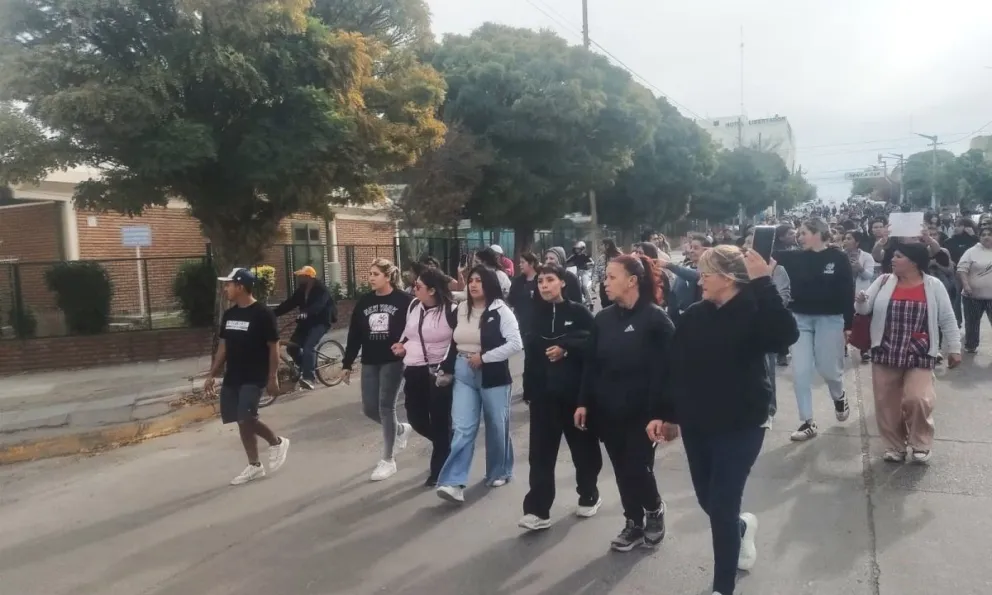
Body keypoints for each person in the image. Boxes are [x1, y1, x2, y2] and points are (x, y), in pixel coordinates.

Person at [648, 246, 798, 595]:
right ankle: (740, 529)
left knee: (722, 504)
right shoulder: (695, 315)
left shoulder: (754, 309)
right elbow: (674, 368)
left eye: (706, 274)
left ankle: (722, 586)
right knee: (710, 502)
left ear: (729, 278)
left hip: (743, 423)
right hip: (698, 423)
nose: (699, 280)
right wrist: (666, 414)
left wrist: (763, 282)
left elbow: (785, 335)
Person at [575, 254, 675, 552]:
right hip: (608, 410)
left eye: (611, 277)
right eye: (605, 277)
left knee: (636, 466)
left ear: (632, 281)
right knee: (621, 468)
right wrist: (583, 402)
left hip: (645, 413)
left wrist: (666, 414)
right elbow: (590, 365)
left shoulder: (655, 318)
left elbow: (672, 369)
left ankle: (654, 510)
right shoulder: (603, 319)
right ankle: (633, 522)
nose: (605, 283)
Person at [856, 243, 961, 463]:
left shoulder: (933, 285)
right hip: (886, 349)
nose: (892, 260)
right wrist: (861, 301)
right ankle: (894, 446)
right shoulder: (883, 281)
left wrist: (954, 348)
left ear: (913, 262)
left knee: (918, 398)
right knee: (887, 403)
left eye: (898, 256)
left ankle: (921, 443)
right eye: (893, 256)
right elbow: (863, 310)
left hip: (920, 351)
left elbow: (947, 318)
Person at [519, 263, 602, 531]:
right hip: (543, 397)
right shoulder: (533, 314)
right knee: (540, 455)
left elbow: (594, 342)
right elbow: (530, 355)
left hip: (574, 396)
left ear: (563, 283)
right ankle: (537, 510)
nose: (544, 285)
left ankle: (589, 493)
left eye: (550, 280)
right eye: (541, 281)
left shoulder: (578, 312)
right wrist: (529, 389)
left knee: (584, 451)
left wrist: (566, 348)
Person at [436, 266, 523, 503]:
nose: (473, 284)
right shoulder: (461, 309)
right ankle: (453, 482)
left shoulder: (500, 311)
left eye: (479, 281)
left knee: (497, 424)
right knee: (463, 427)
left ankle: (499, 471)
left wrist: (484, 357)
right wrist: (447, 365)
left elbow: (516, 344)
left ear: (489, 284)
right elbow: (453, 342)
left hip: (492, 374)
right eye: (471, 280)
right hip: (463, 372)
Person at [205, 268, 290, 485]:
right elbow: (223, 346)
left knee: (246, 417)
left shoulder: (263, 314)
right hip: (233, 375)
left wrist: (273, 377)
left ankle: (277, 442)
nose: (226, 289)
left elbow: (273, 347)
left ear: (240, 286)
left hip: (255, 375)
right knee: (241, 421)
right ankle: (254, 465)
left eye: (229, 285)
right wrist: (212, 374)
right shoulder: (230, 314)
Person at [775, 218, 854, 442]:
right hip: (800, 319)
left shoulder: (838, 258)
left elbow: (848, 290)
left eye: (803, 233)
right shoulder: (793, 257)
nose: (799, 237)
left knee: (829, 369)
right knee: (800, 372)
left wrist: (848, 324)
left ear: (818, 233)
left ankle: (839, 396)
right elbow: (764, 255)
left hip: (830, 319)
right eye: (798, 234)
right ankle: (807, 421)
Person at [341, 258, 415, 481]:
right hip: (370, 360)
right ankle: (400, 430)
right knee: (369, 408)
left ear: (388, 276)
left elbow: (415, 328)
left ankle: (388, 460)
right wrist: (347, 363)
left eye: (375, 274)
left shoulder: (405, 300)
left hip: (393, 360)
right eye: (370, 274)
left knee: (385, 406)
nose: (371, 278)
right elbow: (355, 334)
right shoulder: (364, 302)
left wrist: (406, 346)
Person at [392, 268, 458, 487]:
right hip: (413, 368)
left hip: (438, 371)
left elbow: (457, 342)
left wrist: (446, 366)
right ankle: (448, 442)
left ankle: (438, 470)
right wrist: (401, 345)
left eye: (418, 286)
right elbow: (408, 331)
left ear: (431, 290)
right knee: (416, 419)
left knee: (440, 420)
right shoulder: (414, 306)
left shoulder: (452, 310)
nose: (414, 289)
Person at [272, 265, 336, 390]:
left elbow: (319, 305)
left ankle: (309, 378)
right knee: (291, 347)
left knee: (308, 347)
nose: (299, 278)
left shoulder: (321, 289)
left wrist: (306, 312)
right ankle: (305, 367)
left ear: (309, 277)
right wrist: (272, 313)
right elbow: (289, 303)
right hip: (305, 323)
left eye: (301, 276)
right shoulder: (301, 290)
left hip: (320, 322)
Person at [842, 231, 877, 363]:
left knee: (862, 321)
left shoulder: (866, 257)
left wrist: (859, 268)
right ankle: (843, 345)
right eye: (845, 238)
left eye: (849, 238)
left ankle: (864, 350)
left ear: (857, 242)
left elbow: (869, 275)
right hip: (844, 292)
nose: (845, 241)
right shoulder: (840, 256)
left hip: (861, 292)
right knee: (844, 320)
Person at [957, 226, 992, 353]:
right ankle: (971, 345)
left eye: (989, 234)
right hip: (973, 296)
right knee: (972, 324)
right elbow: (962, 269)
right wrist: (966, 285)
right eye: (984, 235)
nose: (987, 237)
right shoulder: (971, 251)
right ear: (979, 237)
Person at [942, 218, 979, 326]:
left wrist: (973, 236)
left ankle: (971, 321)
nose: (956, 228)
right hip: (956, 273)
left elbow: (983, 249)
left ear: (966, 227)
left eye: (959, 225)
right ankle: (956, 321)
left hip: (972, 274)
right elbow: (944, 254)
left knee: (971, 299)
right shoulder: (949, 241)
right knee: (956, 298)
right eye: (955, 225)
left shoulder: (973, 241)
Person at [507, 251, 540, 338]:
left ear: (531, 263)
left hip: (539, 324)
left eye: (523, 262)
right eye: (519, 262)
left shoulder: (541, 280)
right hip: (522, 324)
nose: (520, 265)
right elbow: (511, 299)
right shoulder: (518, 281)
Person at [566, 240, 595, 307]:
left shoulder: (585, 256)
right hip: (578, 272)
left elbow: (592, 263)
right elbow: (566, 261)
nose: (576, 250)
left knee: (584, 286)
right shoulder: (574, 256)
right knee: (577, 286)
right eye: (576, 249)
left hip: (585, 272)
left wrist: (587, 264)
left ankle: (590, 302)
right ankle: (582, 300)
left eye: (578, 249)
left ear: (582, 249)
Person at [596, 239, 623, 308]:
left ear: (607, 246)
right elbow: (597, 270)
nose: (600, 247)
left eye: (602, 245)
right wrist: (594, 282)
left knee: (615, 304)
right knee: (605, 304)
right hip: (603, 285)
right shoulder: (601, 257)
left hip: (615, 284)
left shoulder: (619, 257)